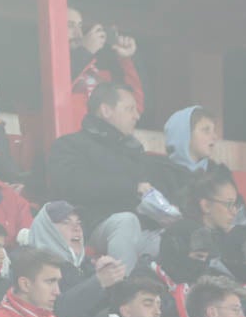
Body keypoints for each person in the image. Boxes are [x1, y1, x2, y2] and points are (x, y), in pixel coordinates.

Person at [47, 81, 161, 273]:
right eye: (129, 109)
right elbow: (74, 185)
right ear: (106, 110)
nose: (136, 116)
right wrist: (131, 187)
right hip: (90, 226)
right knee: (126, 221)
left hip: (139, 230)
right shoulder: (69, 145)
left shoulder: (133, 149)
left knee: (179, 238)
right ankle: (122, 293)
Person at [65, 9, 142, 131]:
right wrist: (85, 52)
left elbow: (134, 107)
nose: (78, 34)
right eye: (69, 26)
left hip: (100, 146)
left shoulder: (99, 72)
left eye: (80, 26)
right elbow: (53, 92)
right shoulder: (38, 64)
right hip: (69, 145)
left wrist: (127, 59)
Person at [156, 106, 234, 209]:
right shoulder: (161, 173)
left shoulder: (219, 173)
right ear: (184, 134)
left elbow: (240, 213)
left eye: (213, 130)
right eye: (206, 130)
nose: (214, 137)